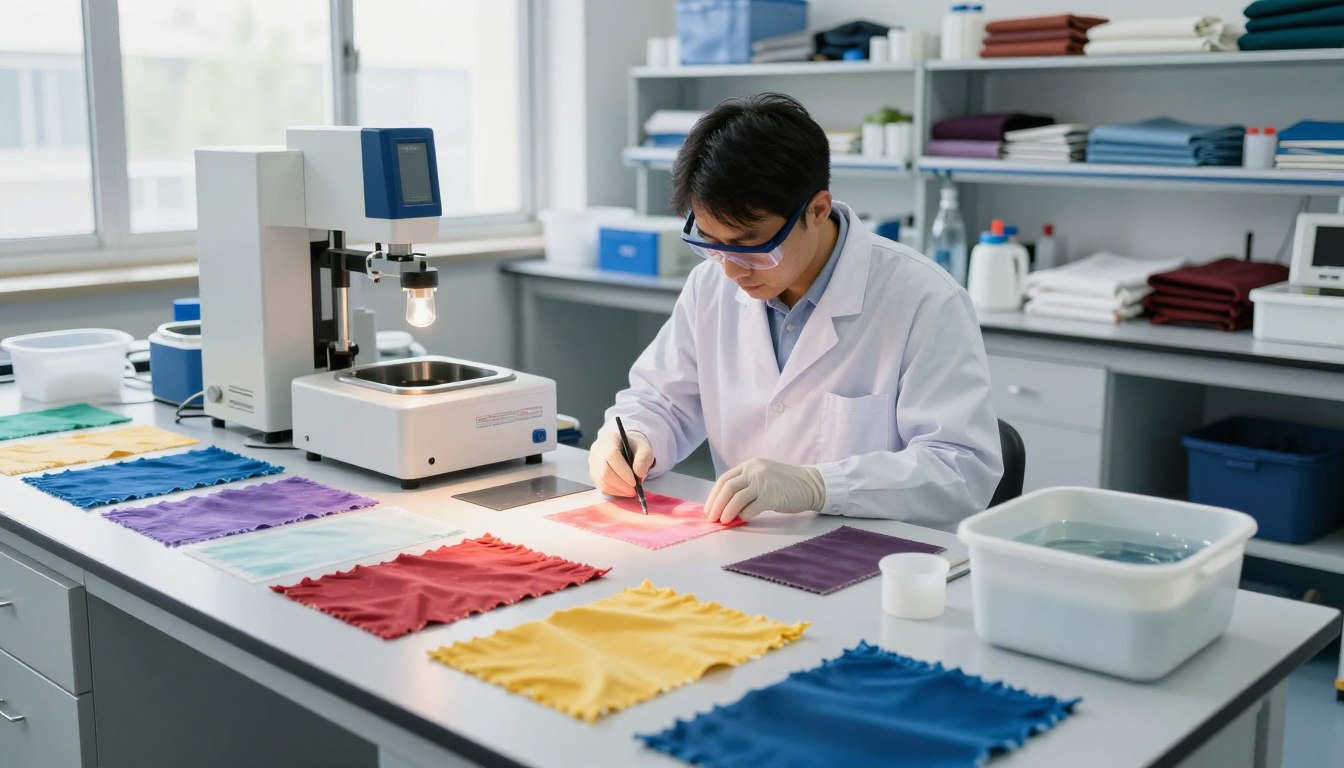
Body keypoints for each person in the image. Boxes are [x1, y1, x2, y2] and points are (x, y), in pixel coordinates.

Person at [588, 93, 1002, 530]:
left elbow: (961, 471)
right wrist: (634, 436)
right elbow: (663, 401)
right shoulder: (709, 286)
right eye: (709, 242)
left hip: (872, 560)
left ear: (818, 210)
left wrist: (820, 485)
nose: (730, 269)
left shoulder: (924, 300)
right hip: (742, 546)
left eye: (749, 245)